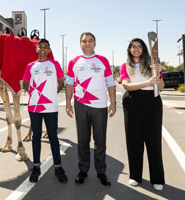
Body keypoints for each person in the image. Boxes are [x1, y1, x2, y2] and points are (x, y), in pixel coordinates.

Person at [65, 32, 116, 185]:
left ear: (95, 43)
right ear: (80, 44)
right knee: (83, 140)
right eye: (84, 41)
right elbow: (69, 84)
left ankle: (101, 172)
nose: (87, 43)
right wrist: (68, 103)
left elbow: (110, 83)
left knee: (100, 141)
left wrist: (113, 102)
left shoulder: (103, 61)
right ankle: (83, 171)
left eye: (90, 41)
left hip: (100, 106)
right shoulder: (74, 61)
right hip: (81, 105)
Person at [119, 38, 165, 191]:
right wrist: (147, 83)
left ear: (144, 49)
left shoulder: (153, 65)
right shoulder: (125, 66)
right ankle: (135, 176)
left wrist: (157, 75)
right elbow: (126, 85)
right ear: (129, 49)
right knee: (134, 141)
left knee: (153, 141)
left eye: (139, 46)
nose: (136, 49)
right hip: (132, 102)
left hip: (152, 102)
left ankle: (157, 179)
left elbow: (161, 86)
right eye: (133, 46)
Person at [22, 39, 68, 183]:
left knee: (53, 136)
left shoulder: (54, 64)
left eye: (45, 47)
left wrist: (52, 95)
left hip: (51, 107)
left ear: (49, 49)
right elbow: (25, 83)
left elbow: (61, 82)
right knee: (36, 136)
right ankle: (36, 167)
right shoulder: (30, 66)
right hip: (34, 107)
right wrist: (34, 92)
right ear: (37, 49)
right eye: (40, 47)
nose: (42, 49)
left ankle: (58, 167)